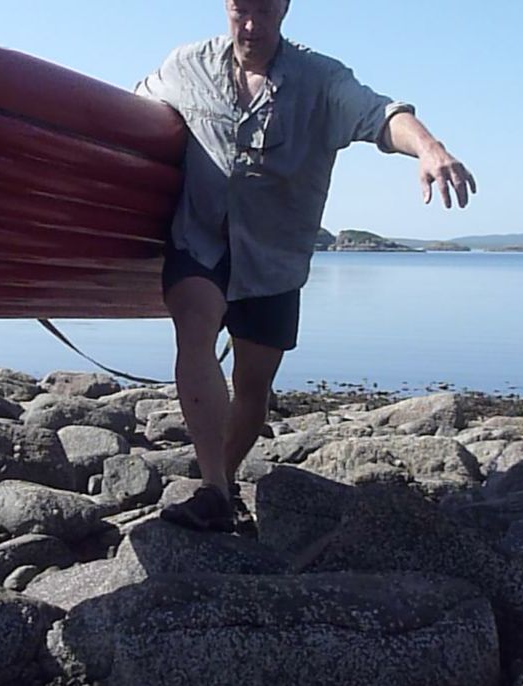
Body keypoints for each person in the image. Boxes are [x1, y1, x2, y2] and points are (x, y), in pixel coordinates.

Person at [136, 0, 476, 532]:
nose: (251, 25)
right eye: (240, 11)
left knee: (253, 385)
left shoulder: (322, 80)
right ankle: (213, 488)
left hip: (274, 256)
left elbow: (382, 116)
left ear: (286, 8)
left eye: (264, 11)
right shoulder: (186, 65)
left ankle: (225, 479)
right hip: (199, 240)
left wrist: (430, 148)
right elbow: (132, 112)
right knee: (194, 327)